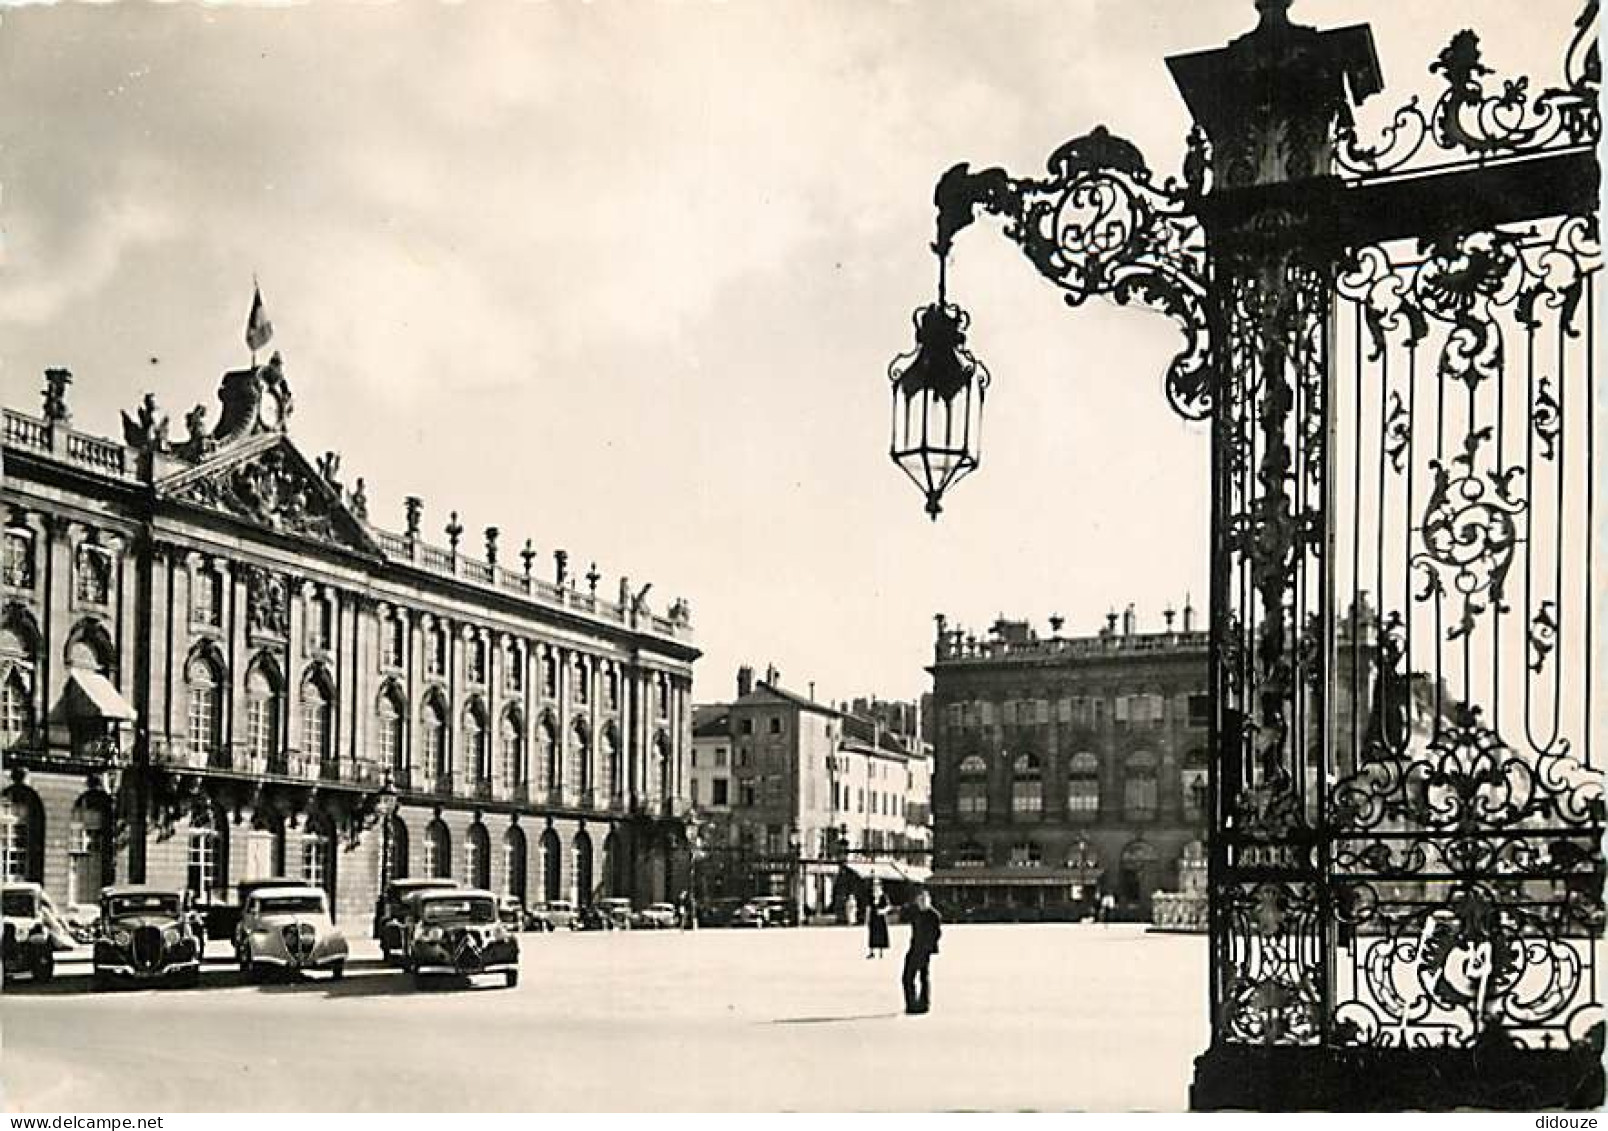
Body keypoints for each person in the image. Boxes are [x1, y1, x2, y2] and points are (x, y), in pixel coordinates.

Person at [901, 888, 942, 1015]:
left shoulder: (934, 915)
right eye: (920, 900)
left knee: (920, 976)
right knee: (909, 977)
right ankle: (913, 1003)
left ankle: (923, 1004)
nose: (923, 902)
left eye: (925, 899)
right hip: (914, 947)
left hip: (924, 950)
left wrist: (927, 949)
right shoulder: (915, 912)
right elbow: (904, 915)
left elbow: (937, 934)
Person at [866, 881, 890, 959]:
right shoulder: (871, 897)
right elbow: (868, 908)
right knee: (872, 934)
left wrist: (882, 911)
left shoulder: (883, 896)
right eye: (874, 887)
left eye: (877, 886)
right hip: (873, 918)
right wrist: (867, 918)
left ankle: (881, 952)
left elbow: (888, 907)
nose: (875, 888)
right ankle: (871, 952)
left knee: (881, 934)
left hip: (881, 918)